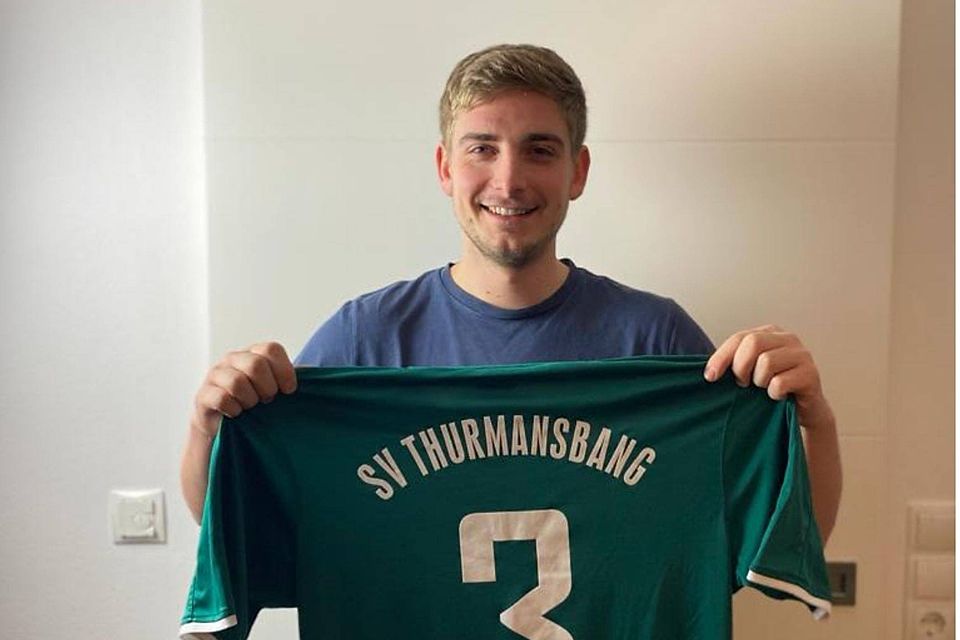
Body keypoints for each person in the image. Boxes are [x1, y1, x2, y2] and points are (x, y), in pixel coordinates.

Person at [180, 44, 842, 548]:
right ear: (445, 168)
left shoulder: (656, 339)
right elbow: (243, 530)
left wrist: (815, 422)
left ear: (578, 171)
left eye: (539, 150)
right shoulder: (365, 338)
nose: (508, 179)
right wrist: (209, 427)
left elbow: (781, 542)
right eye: (482, 149)